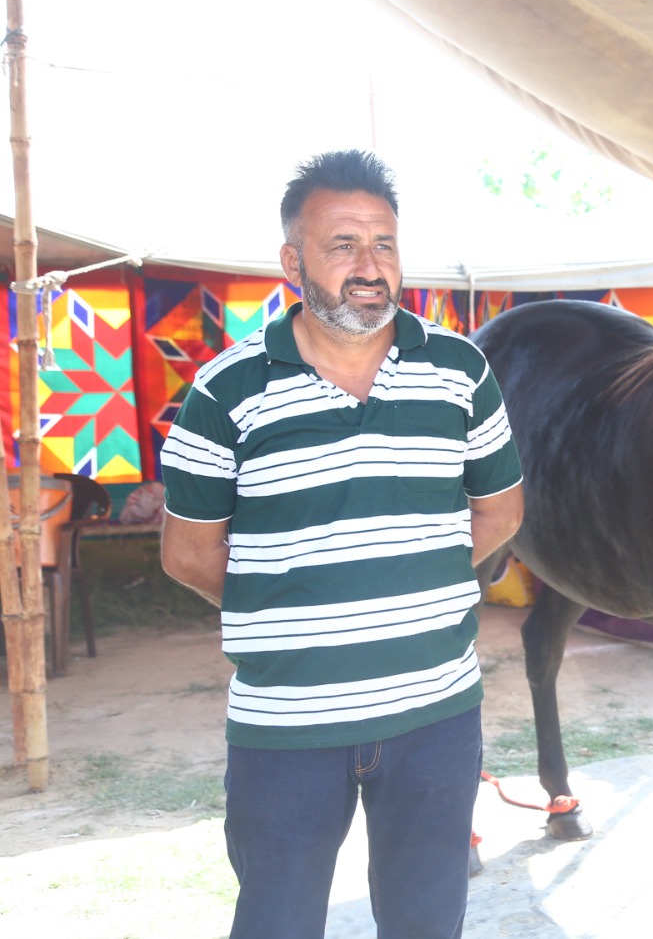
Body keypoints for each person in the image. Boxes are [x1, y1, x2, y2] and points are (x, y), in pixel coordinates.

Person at [159, 150, 525, 939]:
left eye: (384, 243)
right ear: (293, 262)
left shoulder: (460, 372)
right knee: (277, 925)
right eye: (344, 245)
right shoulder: (227, 392)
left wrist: (409, 583)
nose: (370, 266)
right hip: (287, 726)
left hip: (435, 717)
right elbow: (188, 553)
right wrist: (298, 603)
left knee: (427, 924)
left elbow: (499, 514)